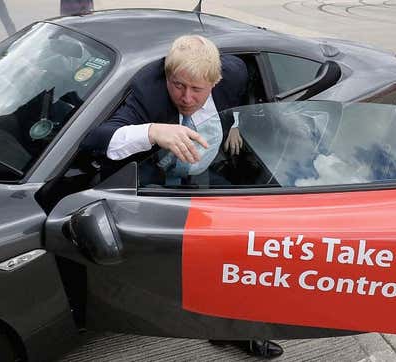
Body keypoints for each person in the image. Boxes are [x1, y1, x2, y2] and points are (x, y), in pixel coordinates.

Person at [82, 34, 283, 358]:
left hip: (204, 172)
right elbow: (95, 139)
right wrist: (153, 131)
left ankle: (238, 329)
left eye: (197, 89)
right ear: (167, 76)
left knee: (244, 239)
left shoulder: (232, 73)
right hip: (158, 178)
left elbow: (250, 85)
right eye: (178, 85)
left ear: (215, 82)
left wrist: (236, 122)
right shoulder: (149, 89)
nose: (186, 98)